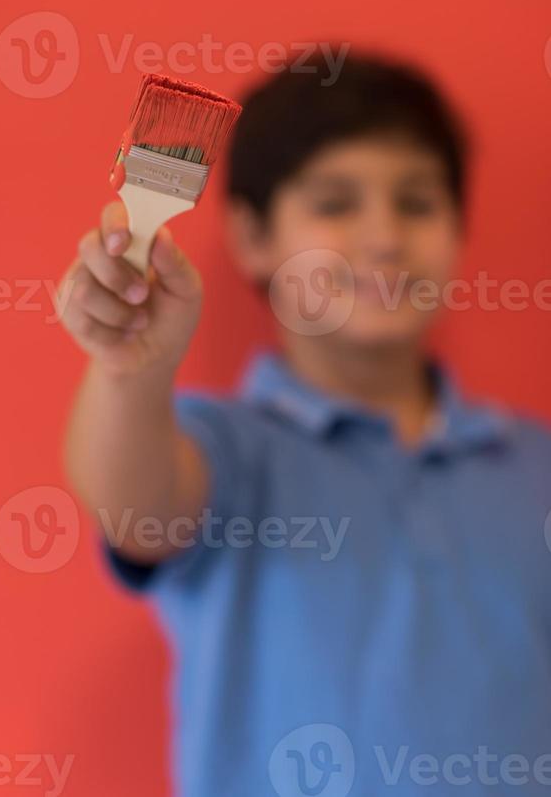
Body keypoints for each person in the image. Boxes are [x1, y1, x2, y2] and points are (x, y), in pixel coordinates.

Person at [58, 49, 551, 797]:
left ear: (458, 232)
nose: (384, 237)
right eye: (335, 203)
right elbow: (134, 509)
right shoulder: (223, 451)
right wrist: (133, 368)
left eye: (416, 203)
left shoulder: (534, 465)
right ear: (255, 238)